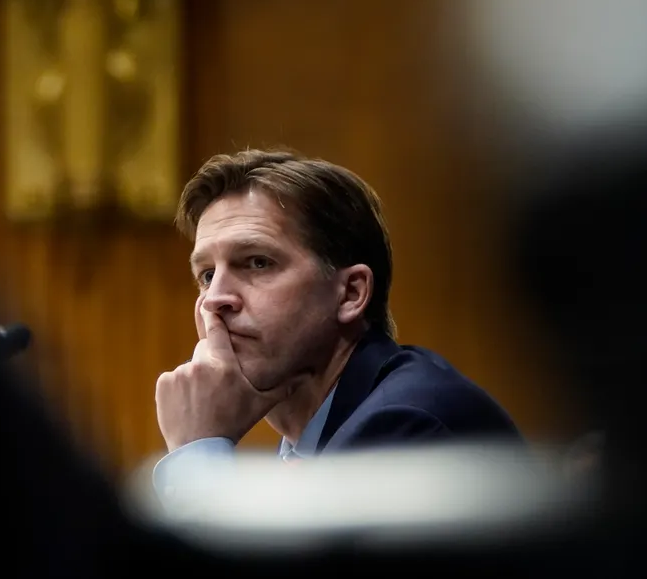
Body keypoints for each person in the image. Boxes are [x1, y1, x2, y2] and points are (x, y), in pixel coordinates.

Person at [152, 149, 521, 502]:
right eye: (207, 274)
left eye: (257, 263)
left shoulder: (406, 427)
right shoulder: (320, 439)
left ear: (350, 294)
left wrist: (196, 455)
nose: (215, 299)